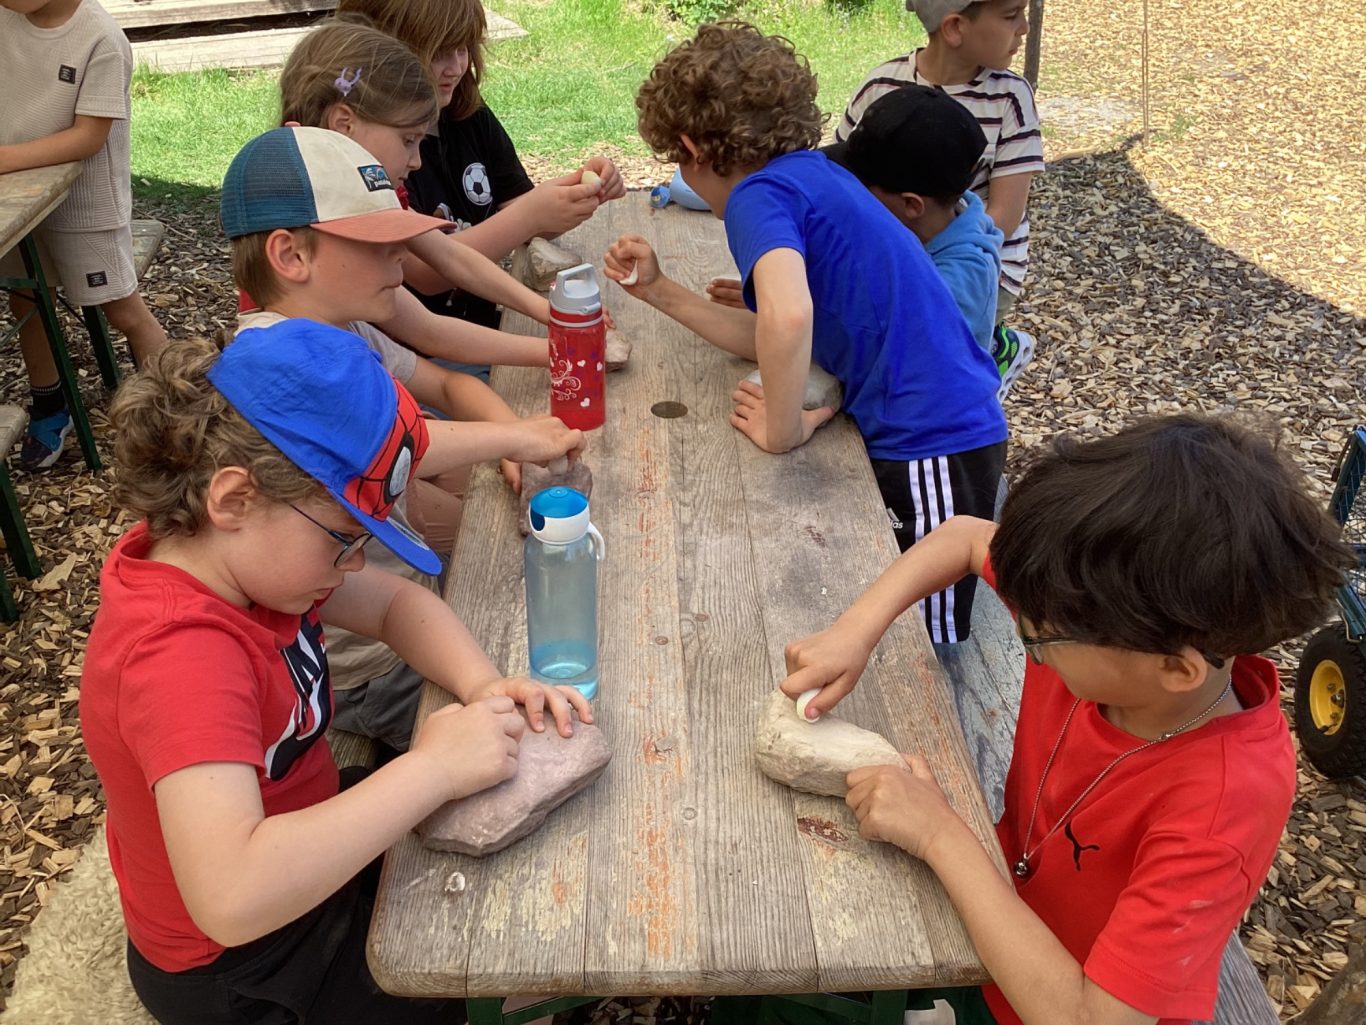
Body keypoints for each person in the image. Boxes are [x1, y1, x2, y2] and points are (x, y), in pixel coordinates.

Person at [80, 319, 592, 1025]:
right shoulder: (179, 654)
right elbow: (232, 894)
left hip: (301, 839)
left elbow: (396, 603)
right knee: (483, 976)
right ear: (233, 499)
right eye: (344, 540)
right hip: (248, 965)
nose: (353, 565)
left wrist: (483, 684)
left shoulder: (236, 561)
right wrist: (432, 769)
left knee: (515, 866)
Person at [780, 414, 1353, 1025]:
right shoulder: (1100, 616)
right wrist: (854, 631)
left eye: (1039, 639)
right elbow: (966, 537)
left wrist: (939, 834)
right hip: (989, 915)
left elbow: (1091, 1018)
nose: (1025, 632)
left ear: (1176, 668)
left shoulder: (1221, 805)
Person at [605, 22, 1006, 645]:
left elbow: (789, 316)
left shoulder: (756, 197)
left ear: (691, 149)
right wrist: (660, 291)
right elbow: (776, 331)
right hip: (926, 428)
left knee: (918, 641)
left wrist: (782, 426)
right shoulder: (814, 175)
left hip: (934, 442)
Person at [221, 124, 584, 745]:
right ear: (291, 256)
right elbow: (405, 451)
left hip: (398, 610)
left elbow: (434, 391)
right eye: (378, 244)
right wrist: (515, 438)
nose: (401, 260)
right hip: (370, 666)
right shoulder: (284, 364)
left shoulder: (342, 328)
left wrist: (513, 431)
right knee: (547, 715)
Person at [335, 0, 626, 370]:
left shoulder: (465, 114)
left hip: (470, 337)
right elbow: (429, 275)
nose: (457, 66)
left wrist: (573, 195)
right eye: (440, 51)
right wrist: (530, 217)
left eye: (463, 48)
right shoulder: (369, 170)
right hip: (418, 360)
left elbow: (505, 221)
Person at [273, 16, 556, 367]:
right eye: (408, 140)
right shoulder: (317, 216)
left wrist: (550, 315)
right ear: (344, 124)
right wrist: (561, 344)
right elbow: (428, 330)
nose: (417, 161)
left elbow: (452, 259)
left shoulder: (363, 193)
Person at [710, 85, 1004, 376]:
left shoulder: (959, 282)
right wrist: (781, 294)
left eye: (856, 184)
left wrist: (792, 312)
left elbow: (876, 354)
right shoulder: (921, 225)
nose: (845, 191)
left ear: (911, 205)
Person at [835, 0, 1043, 396]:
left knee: (921, 359)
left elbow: (1005, 214)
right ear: (954, 28)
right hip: (896, 246)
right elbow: (843, 178)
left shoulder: (1011, 98)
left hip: (982, 262)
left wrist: (918, 266)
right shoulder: (882, 84)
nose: (1024, 27)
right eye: (1010, 15)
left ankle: (989, 350)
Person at [0, 0, 167, 470]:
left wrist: (6, 159)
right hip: (15, 199)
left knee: (122, 309)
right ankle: (50, 404)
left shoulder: (101, 39)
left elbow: (88, 137)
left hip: (85, 207)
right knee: (27, 300)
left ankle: (176, 407)